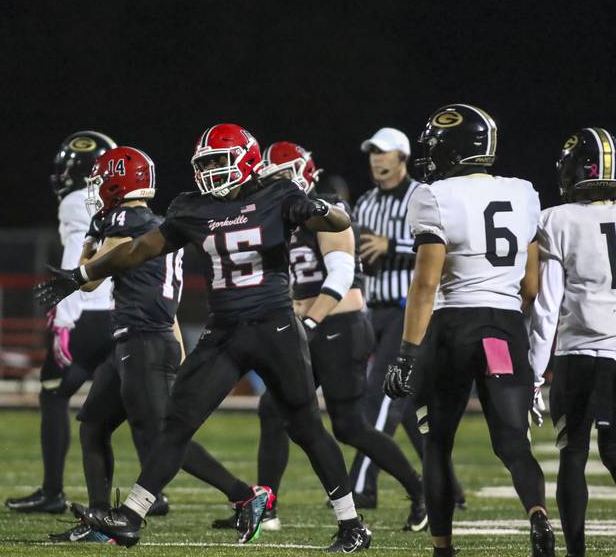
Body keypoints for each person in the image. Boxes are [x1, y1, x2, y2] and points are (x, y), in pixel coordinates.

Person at [35, 123, 372, 552]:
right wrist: (82, 274)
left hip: (275, 327)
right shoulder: (193, 207)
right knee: (175, 424)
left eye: (219, 160)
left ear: (247, 160)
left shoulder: (280, 194)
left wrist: (326, 210)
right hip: (225, 331)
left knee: (306, 427)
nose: (212, 170)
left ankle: (351, 525)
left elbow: (338, 219)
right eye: (206, 162)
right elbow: (139, 249)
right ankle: (132, 516)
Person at [213, 141, 426, 532]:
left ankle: (419, 489)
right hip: (307, 324)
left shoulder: (324, 208)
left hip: (339, 325)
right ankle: (267, 508)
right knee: (273, 411)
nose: (275, 184)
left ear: (301, 174)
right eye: (270, 177)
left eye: (281, 176)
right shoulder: (275, 216)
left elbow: (342, 277)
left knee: (349, 426)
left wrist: (308, 317)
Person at [50, 146, 259, 542]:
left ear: (117, 181)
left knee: (165, 438)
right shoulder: (160, 221)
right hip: (145, 339)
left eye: (101, 180)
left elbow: (90, 278)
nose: (97, 189)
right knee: (93, 424)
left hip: (142, 342)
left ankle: (245, 496)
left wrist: (90, 239)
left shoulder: (123, 219)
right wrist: (176, 346)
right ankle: (99, 519)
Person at [383, 104, 554, 557]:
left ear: (453, 149)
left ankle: (443, 548)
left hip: (452, 331)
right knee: (514, 444)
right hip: (503, 332)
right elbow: (532, 286)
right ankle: (537, 513)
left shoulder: (433, 195)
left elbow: (425, 284)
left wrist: (405, 353)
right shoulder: (524, 192)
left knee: (437, 445)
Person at [349, 127, 465, 509]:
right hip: (374, 310)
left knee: (381, 395)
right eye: (371, 154)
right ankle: (450, 489)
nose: (376, 160)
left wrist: (391, 246)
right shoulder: (365, 203)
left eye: (383, 153)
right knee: (418, 414)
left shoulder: (423, 196)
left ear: (402, 157)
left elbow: (442, 249)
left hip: (408, 310)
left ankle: (361, 486)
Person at [6, 130, 119, 514]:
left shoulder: (76, 200)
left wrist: (63, 319)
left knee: (53, 394)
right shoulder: (116, 197)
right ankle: (150, 493)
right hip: (120, 314)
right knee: (131, 407)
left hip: (86, 314)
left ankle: (53, 491)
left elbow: (76, 253)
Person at [529, 127, 616, 557]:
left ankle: (577, 552)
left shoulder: (556, 220)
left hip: (579, 352)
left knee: (573, 454)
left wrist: (531, 374)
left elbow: (547, 305)